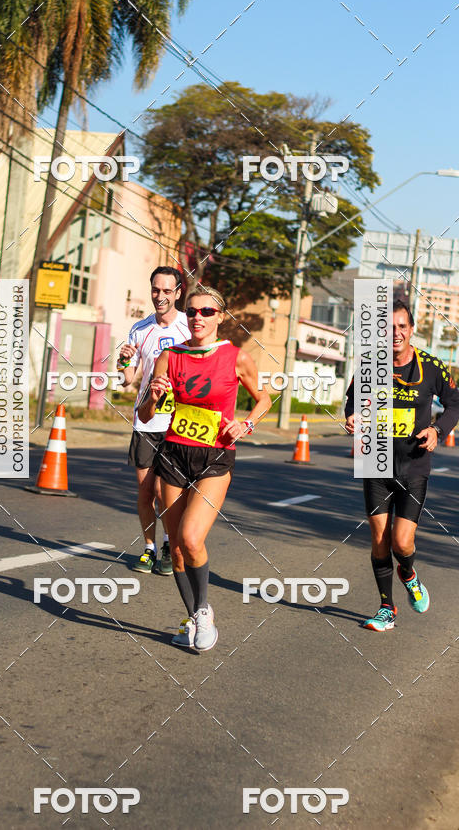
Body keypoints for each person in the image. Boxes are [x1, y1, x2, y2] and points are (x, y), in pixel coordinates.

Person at [138, 287, 271, 651]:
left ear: (220, 317)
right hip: (174, 454)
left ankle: (200, 612)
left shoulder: (236, 357)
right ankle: (198, 613)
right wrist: (152, 397)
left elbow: (264, 398)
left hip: (214, 458)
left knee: (193, 538)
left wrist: (246, 424)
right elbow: (147, 415)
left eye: (207, 312)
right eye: (192, 311)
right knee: (177, 548)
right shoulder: (170, 355)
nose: (198, 317)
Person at [345, 298, 459, 632]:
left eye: (402, 326)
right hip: (375, 461)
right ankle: (386, 607)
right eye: (388, 327)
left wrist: (437, 429)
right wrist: (351, 416)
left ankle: (409, 574)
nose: (395, 333)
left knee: (402, 543)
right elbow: (352, 399)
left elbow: (455, 403)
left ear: (411, 330)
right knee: (379, 539)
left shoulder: (430, 367)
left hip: (414, 466)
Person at [118, 266, 190, 575]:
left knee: (166, 491)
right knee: (146, 490)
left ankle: (167, 544)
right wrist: (122, 360)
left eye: (166, 291)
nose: (159, 296)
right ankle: (149, 547)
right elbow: (128, 378)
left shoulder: (191, 326)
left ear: (178, 293)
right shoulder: (140, 329)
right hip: (147, 420)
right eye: (155, 290)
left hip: (178, 422)